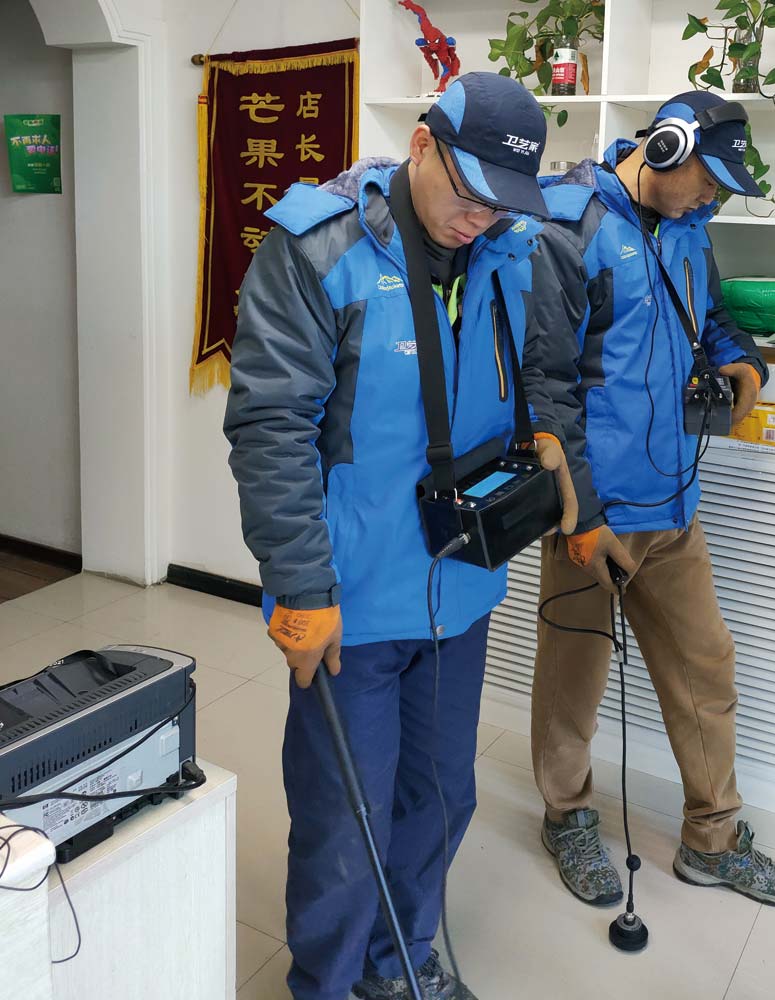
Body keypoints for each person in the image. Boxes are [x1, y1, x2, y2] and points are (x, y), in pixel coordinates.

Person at [224, 72, 577, 1000]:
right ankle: (328, 983)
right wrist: (302, 586)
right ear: (422, 145)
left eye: (500, 205)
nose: (479, 220)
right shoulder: (320, 248)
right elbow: (269, 427)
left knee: (443, 795)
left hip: (460, 586)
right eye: (468, 195)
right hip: (351, 601)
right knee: (347, 820)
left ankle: (399, 963)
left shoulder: (513, 250)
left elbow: (542, 368)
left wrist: (545, 432)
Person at [525, 90, 775, 909]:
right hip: (592, 515)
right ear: (665, 148)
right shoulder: (569, 225)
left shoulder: (690, 228)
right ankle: (567, 817)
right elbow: (545, 385)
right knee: (574, 679)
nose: (712, 196)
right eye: (707, 179)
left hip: (674, 504)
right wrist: (579, 514)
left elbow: (709, 320)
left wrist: (743, 364)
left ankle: (711, 840)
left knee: (704, 667)